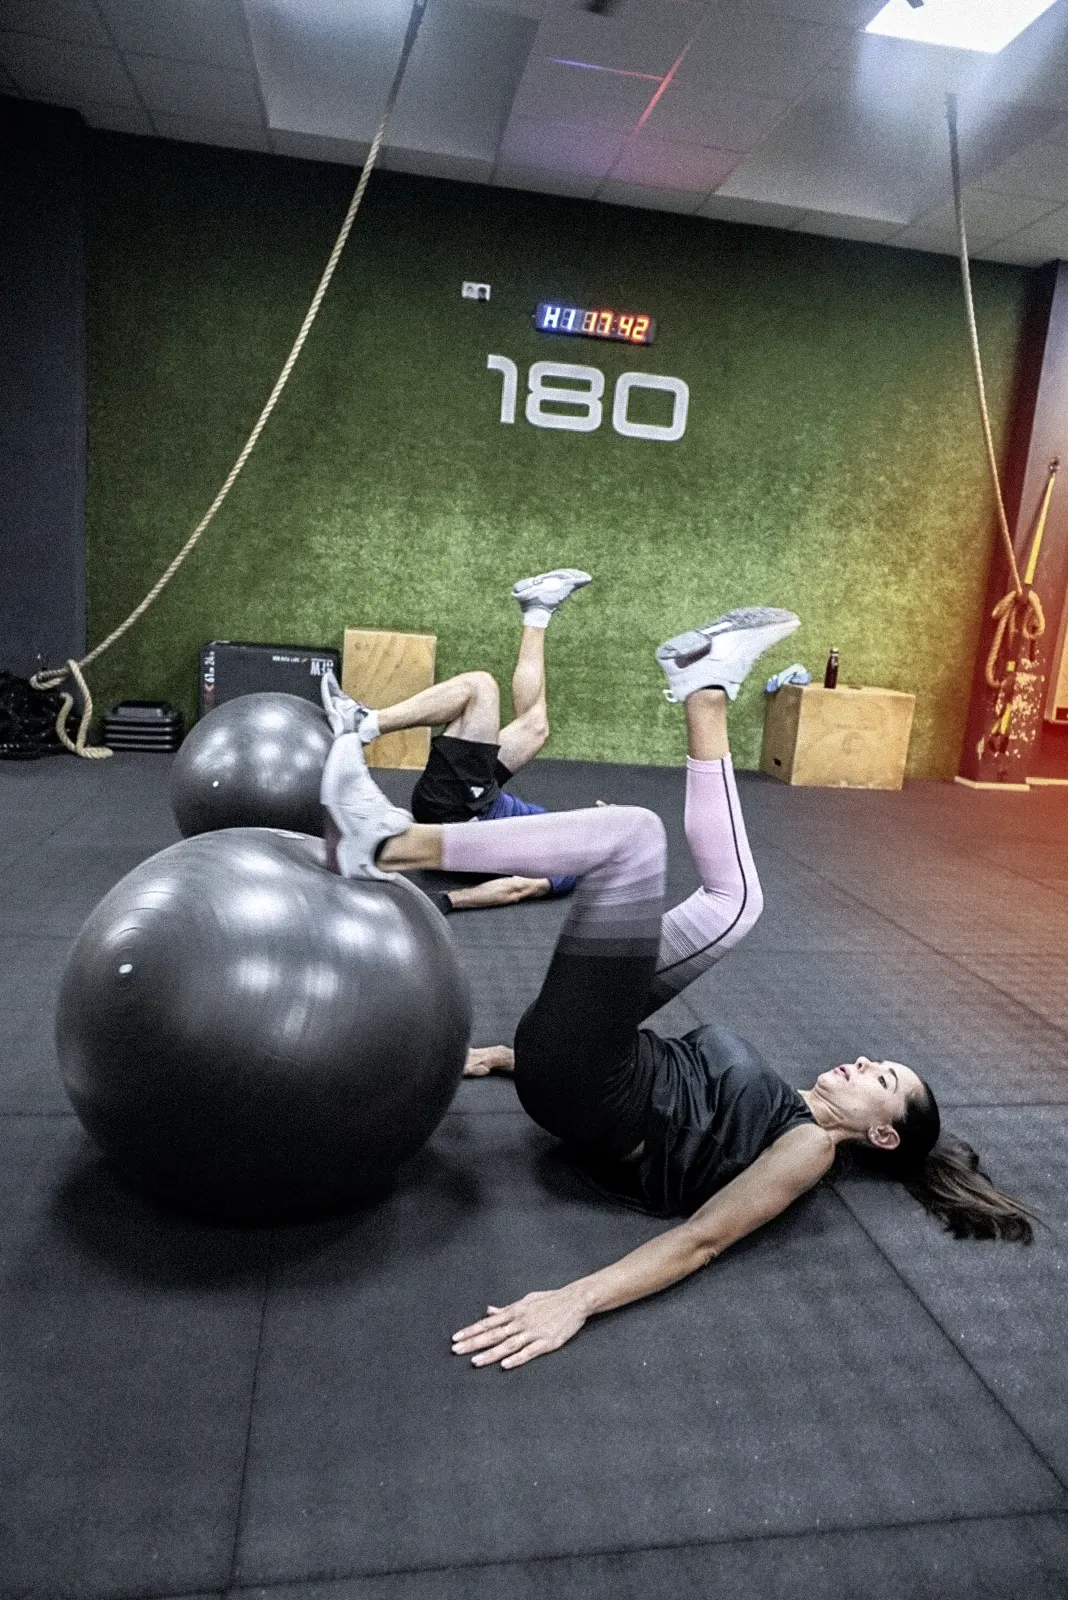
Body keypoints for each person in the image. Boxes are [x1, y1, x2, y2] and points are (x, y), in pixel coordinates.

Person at [319, 608, 1035, 1370]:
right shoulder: (785, 1102)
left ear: (883, 1134)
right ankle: (705, 691)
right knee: (736, 907)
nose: (864, 1063)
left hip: (589, 1087)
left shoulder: (805, 1151)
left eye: (883, 1079)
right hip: (581, 1060)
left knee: (632, 837)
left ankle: (386, 843)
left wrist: (576, 1299)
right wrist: (499, 1057)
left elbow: (704, 1240)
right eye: (878, 1060)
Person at [321, 569, 591, 913]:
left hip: (462, 813)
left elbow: (517, 888)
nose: (604, 808)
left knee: (480, 687)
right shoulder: (570, 833)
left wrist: (446, 901)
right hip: (479, 798)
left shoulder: (571, 864)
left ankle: (364, 723)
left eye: (613, 818)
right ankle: (538, 611)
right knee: (535, 727)